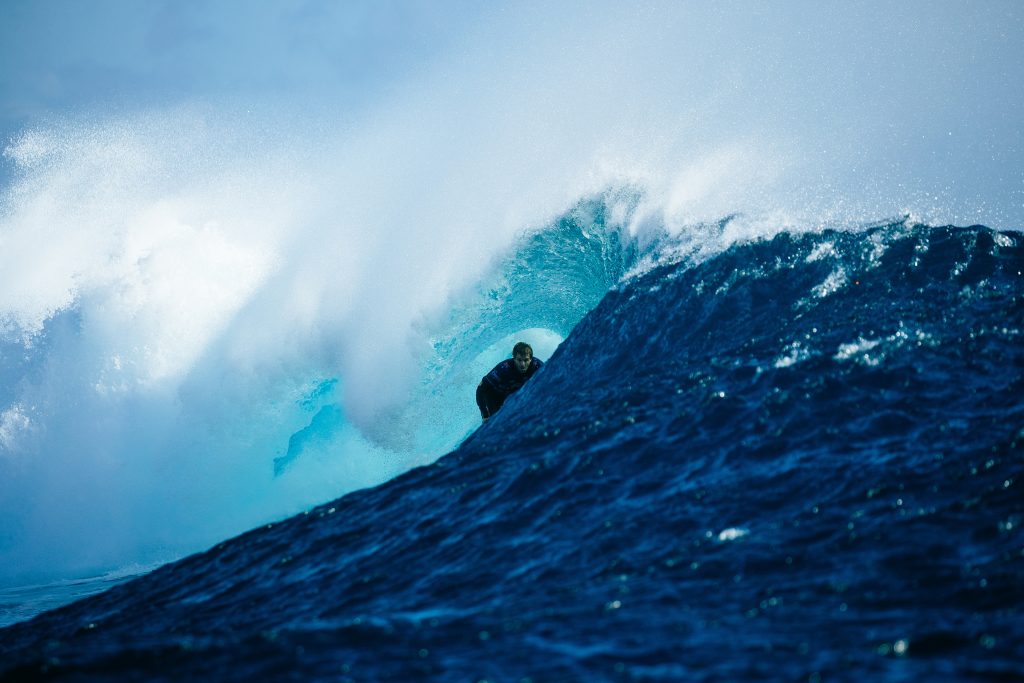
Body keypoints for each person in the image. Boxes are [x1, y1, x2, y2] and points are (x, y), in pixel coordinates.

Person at [476, 341, 544, 420]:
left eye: (526, 360)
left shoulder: (537, 366)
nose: (522, 364)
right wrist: (485, 415)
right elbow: (481, 388)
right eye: (519, 360)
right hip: (494, 396)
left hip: (512, 396)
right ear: (514, 358)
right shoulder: (504, 368)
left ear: (531, 359)